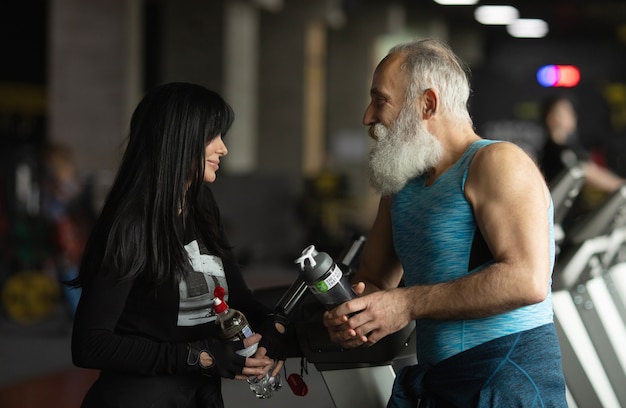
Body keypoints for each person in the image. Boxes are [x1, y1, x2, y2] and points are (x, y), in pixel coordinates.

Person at [323, 39, 568, 407]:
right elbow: (374, 279)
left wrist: (405, 305)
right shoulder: (402, 184)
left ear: (428, 103)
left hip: (508, 376)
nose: (368, 117)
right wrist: (353, 316)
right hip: (441, 382)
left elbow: (527, 279)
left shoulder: (497, 162)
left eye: (381, 100)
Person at [70, 82, 288, 408]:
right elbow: (90, 344)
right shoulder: (132, 224)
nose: (223, 149)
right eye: (213, 136)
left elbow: (237, 298)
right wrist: (198, 357)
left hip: (199, 398)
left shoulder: (202, 206)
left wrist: (272, 332)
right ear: (179, 140)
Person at [538, 95, 625, 226]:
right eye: (565, 112)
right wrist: (620, 185)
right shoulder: (555, 152)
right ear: (551, 119)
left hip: (571, 219)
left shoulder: (568, 149)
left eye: (571, 111)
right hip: (560, 224)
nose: (572, 116)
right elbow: (589, 172)